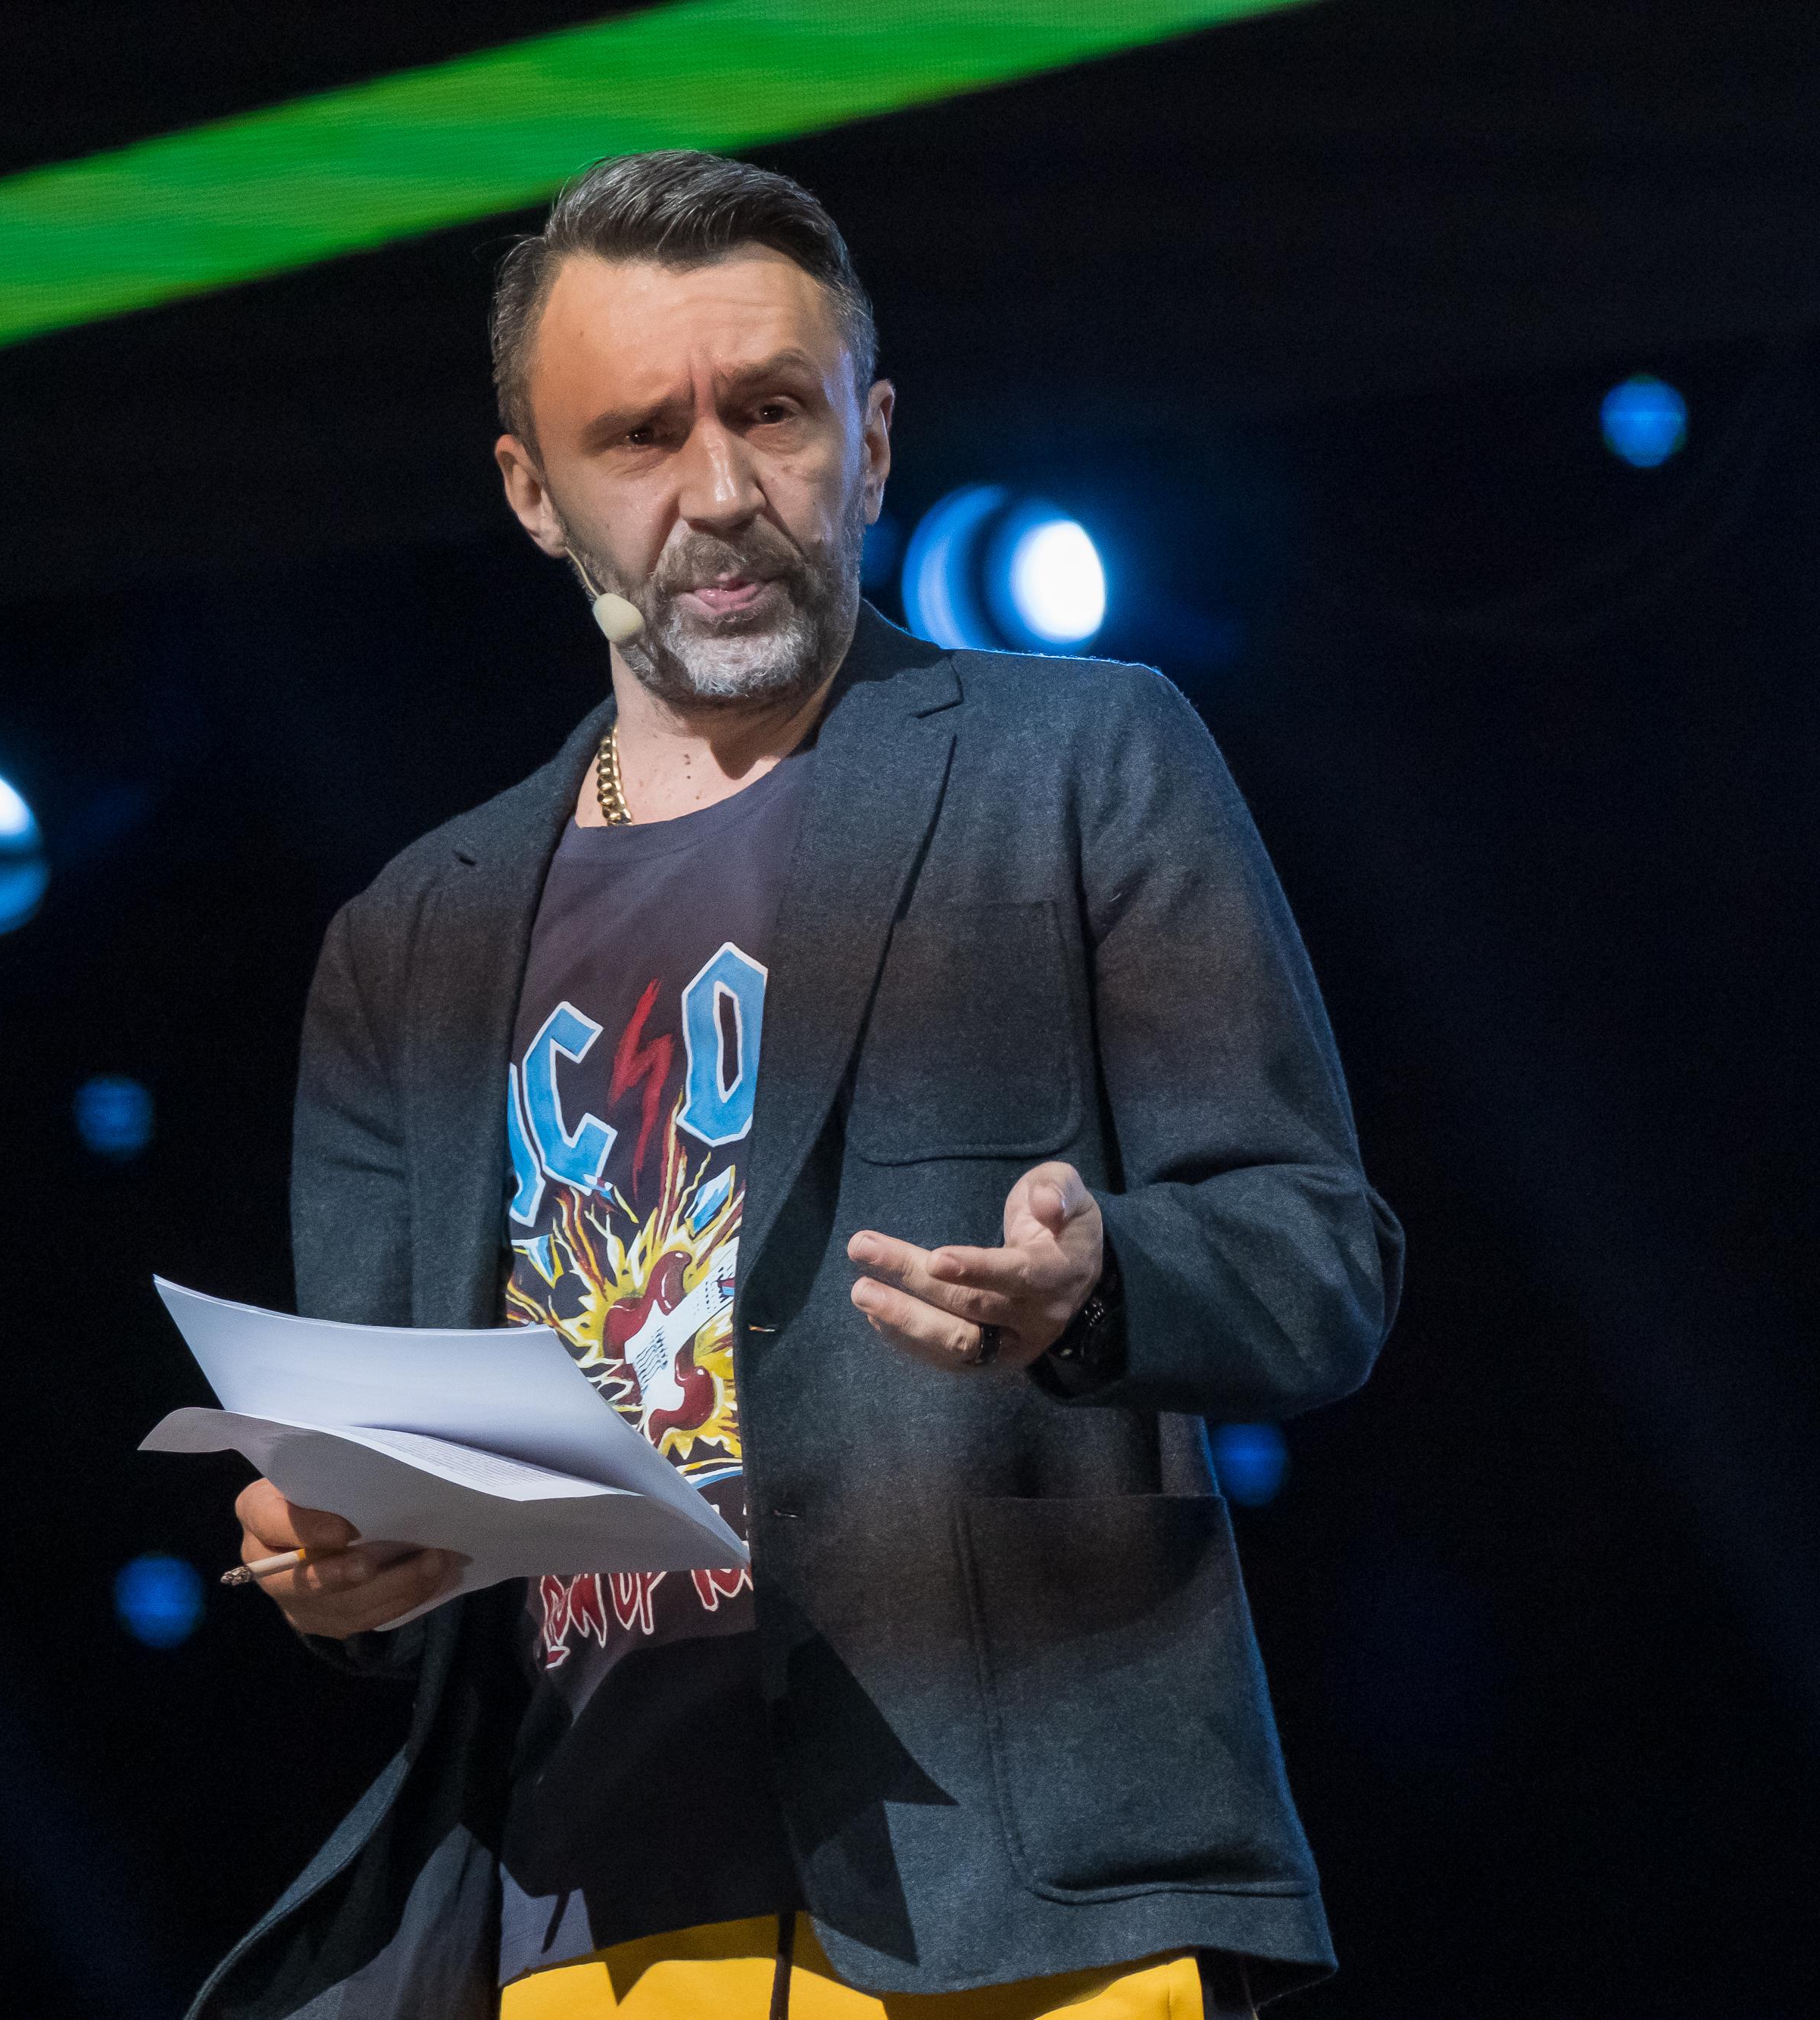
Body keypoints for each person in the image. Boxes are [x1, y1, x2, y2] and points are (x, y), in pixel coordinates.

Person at [198, 151, 1402, 2020]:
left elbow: (1315, 1254)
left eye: (770, 411)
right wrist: (340, 1559)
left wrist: (1098, 1285)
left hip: (1021, 1898)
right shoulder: (409, 934)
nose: (719, 490)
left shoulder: (1079, 759)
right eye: (638, 435)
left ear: (874, 437)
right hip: (584, 1913)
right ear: (532, 492)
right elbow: (391, 1493)